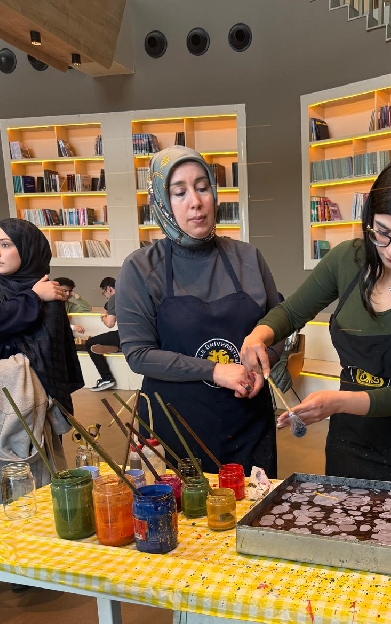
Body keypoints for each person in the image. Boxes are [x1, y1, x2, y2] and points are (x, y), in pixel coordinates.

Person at [241, 152, 391, 487]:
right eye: (382, 232)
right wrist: (258, 335)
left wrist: (337, 402)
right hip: (353, 438)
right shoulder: (347, 260)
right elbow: (291, 313)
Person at [116, 146, 281, 475]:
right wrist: (215, 371)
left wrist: (262, 364)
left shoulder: (248, 258)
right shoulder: (141, 268)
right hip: (174, 427)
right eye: (179, 192)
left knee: (252, 505)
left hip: (247, 423)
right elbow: (139, 355)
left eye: (202, 187)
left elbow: (279, 328)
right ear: (161, 202)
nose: (196, 201)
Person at [0, 218, 83, 491]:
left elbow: (54, 357)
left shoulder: (49, 293)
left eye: (5, 244)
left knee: (33, 478)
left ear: (28, 248)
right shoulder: (38, 293)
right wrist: (32, 298)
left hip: (34, 409)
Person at [85, 277, 120, 392]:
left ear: (109, 289)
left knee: (89, 343)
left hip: (124, 335)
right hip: (142, 333)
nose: (105, 296)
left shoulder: (114, 298)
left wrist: (103, 318)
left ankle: (106, 378)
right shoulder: (128, 295)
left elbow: (110, 323)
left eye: (104, 293)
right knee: (111, 336)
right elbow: (107, 306)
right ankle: (116, 347)